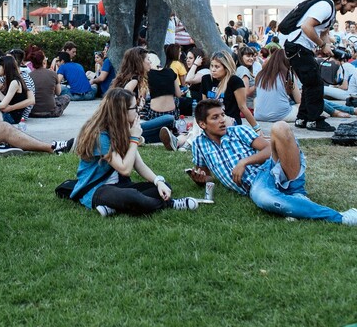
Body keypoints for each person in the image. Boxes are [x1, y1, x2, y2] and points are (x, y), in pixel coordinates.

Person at [190, 99, 357, 225]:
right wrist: (200, 179)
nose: (222, 120)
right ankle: (296, 198)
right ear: (202, 124)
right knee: (264, 198)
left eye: (223, 115)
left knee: (280, 127)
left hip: (266, 170)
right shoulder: (199, 145)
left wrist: (244, 162)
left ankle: (340, 217)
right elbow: (207, 176)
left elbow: (269, 149)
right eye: (215, 117)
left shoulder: (237, 131)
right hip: (254, 185)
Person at [70, 87, 198, 217]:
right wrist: (134, 139)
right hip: (97, 189)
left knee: (164, 186)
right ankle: (170, 204)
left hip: (120, 185)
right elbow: (125, 169)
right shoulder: (100, 136)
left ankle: (113, 207)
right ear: (122, 112)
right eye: (134, 108)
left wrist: (158, 182)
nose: (138, 111)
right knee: (133, 197)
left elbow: (139, 165)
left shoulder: (123, 129)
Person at [283, 0, 357, 132]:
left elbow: (322, 32)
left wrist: (329, 45)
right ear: (343, 0)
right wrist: (322, 45)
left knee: (310, 82)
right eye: (351, 6)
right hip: (298, 46)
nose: (351, 10)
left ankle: (302, 118)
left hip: (299, 48)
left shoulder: (330, 12)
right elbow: (306, 27)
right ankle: (314, 120)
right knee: (316, 84)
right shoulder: (325, 7)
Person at [200, 51, 259, 130]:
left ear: (226, 68)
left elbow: (243, 107)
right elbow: (204, 105)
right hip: (211, 120)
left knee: (223, 120)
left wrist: (256, 128)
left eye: (217, 67)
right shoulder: (206, 79)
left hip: (230, 120)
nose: (213, 70)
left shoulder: (234, 81)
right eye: (212, 66)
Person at [0, 54, 34, 124]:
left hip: (11, 117)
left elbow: (3, 104)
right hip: (10, 115)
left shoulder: (15, 82)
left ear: (5, 67)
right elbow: (5, 100)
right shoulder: (13, 79)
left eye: (0, 66)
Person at [29, 49, 71, 118]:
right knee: (66, 97)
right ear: (43, 61)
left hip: (32, 112)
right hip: (51, 112)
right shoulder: (53, 74)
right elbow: (58, 92)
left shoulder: (29, 75)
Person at [235, 46, 262, 110]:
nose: (251, 58)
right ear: (241, 57)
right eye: (248, 56)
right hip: (249, 108)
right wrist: (258, 82)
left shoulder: (242, 69)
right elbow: (246, 92)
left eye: (252, 56)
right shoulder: (243, 70)